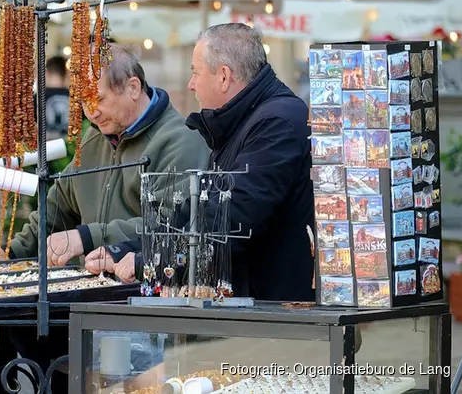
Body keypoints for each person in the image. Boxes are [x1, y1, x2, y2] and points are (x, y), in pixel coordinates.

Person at [0, 44, 209, 392]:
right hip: (88, 304)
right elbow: (60, 201)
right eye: (81, 101)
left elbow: (172, 226)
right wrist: (13, 254)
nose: (90, 111)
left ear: (133, 88)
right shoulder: (94, 137)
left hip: (144, 308)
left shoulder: (180, 142)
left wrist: (88, 235)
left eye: (100, 99)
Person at [96, 23, 315, 302]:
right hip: (256, 309)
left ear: (223, 77)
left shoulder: (276, 123)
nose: (191, 84)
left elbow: (231, 218)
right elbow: (195, 213)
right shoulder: (243, 120)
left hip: (279, 315)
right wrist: (127, 249)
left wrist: (149, 262)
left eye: (195, 72)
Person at [42, 55, 70, 140]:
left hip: (46, 148)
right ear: (65, 73)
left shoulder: (38, 97)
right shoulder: (74, 98)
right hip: (69, 148)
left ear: (46, 73)